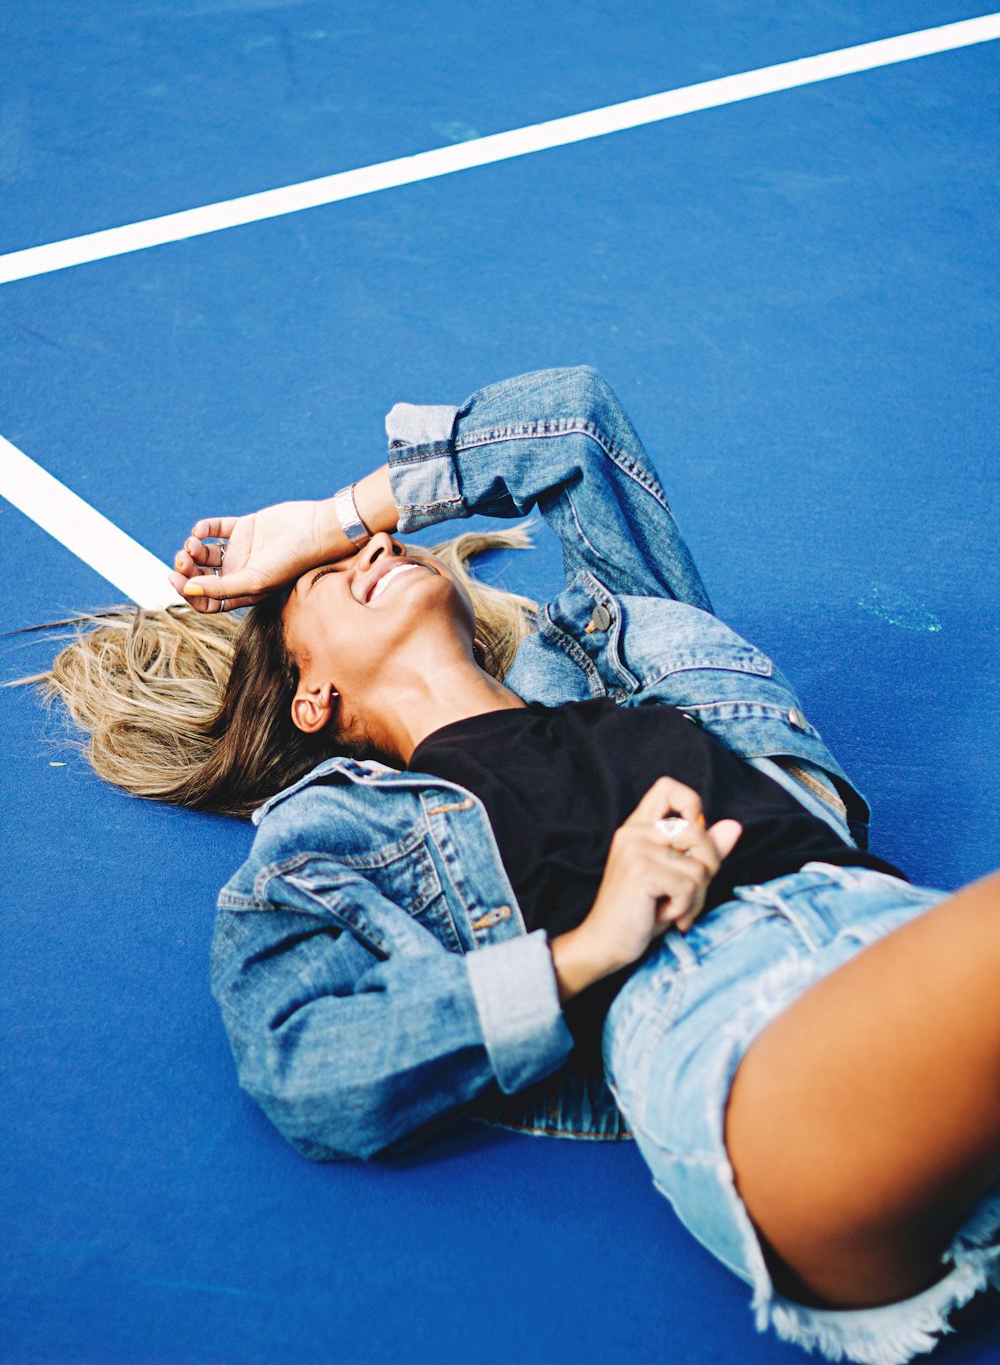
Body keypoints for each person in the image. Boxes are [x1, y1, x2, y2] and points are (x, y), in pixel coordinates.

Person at [34, 367, 1000, 1364]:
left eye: (365, 546)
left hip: (885, 934)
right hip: (739, 1037)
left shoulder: (610, 655)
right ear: (308, 699)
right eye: (331, 577)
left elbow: (573, 423)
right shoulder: (331, 831)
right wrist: (585, 951)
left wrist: (323, 523)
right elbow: (299, 1059)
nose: (373, 549)